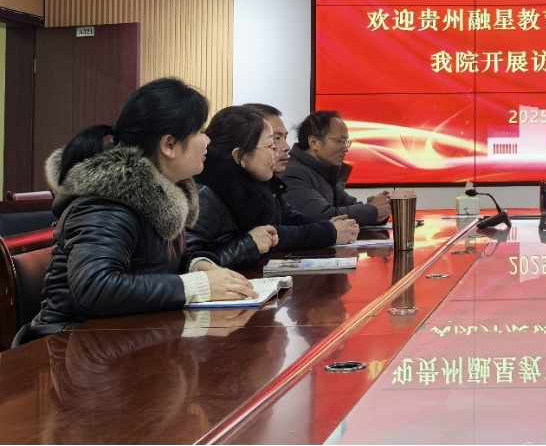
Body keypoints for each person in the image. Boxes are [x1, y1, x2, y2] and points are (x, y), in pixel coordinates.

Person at [14, 77, 256, 347]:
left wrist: (195, 265)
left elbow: (151, 264)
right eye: (200, 131)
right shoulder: (110, 202)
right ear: (169, 145)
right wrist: (197, 285)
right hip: (70, 347)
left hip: (121, 339)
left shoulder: (162, 193)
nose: (207, 140)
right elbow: (96, 288)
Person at [186, 106, 359, 271]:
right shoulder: (205, 194)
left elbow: (290, 219)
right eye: (271, 146)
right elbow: (190, 265)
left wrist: (330, 228)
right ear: (240, 156)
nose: (277, 153)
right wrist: (250, 244)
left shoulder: (259, 184)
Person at [279, 110, 392, 226]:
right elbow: (322, 216)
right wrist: (372, 210)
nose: (345, 149)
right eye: (340, 141)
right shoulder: (292, 173)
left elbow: (350, 207)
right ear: (313, 142)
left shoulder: (325, 172)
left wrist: (378, 208)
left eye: (346, 142)